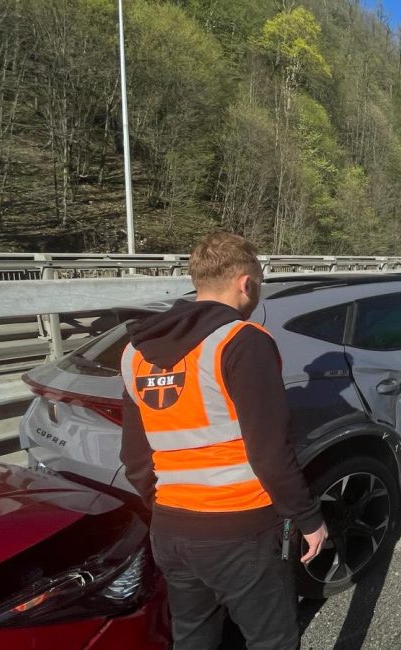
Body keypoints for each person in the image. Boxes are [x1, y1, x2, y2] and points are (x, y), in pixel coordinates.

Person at [120, 232, 327, 649]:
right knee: (273, 640)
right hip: (241, 528)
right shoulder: (241, 341)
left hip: (171, 529)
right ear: (246, 283)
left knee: (193, 636)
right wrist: (310, 519)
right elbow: (269, 452)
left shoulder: (134, 352)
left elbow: (135, 456)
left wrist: (165, 507)